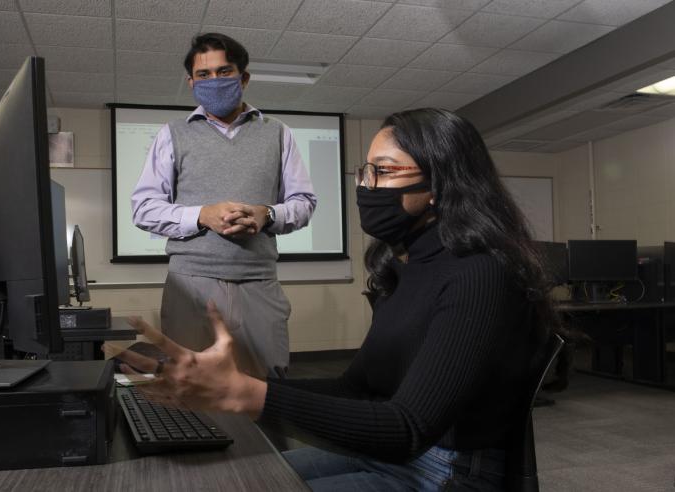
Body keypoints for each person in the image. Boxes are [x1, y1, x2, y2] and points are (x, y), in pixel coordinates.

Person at [114, 108, 558, 491]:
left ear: (440, 184)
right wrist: (223, 383)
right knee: (225, 482)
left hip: (443, 471)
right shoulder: (404, 267)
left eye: (384, 171)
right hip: (388, 454)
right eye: (366, 171)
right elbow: (356, 391)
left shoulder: (480, 273)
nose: (366, 185)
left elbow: (408, 428)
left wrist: (243, 394)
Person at [130, 33, 317, 379]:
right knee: (191, 384)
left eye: (224, 71)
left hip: (259, 282)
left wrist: (268, 214)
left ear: (243, 78)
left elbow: (304, 203)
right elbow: (143, 208)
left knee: (266, 385)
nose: (214, 81)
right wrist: (202, 215)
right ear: (191, 82)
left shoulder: (278, 133)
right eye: (204, 75)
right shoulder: (172, 134)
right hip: (190, 285)